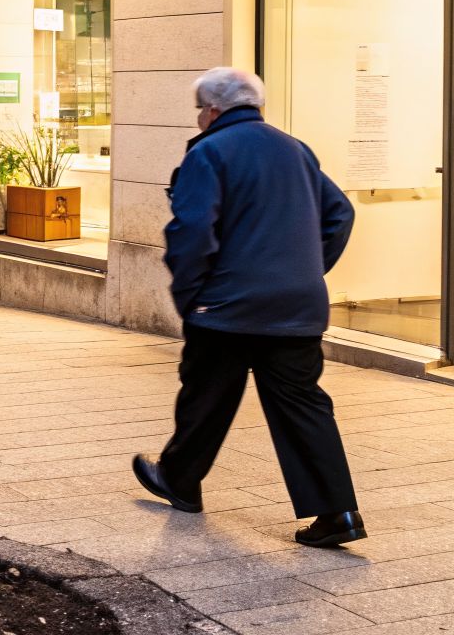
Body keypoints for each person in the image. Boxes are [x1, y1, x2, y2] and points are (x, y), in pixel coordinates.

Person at [132, 67, 364, 548]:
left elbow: (191, 232)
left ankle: (179, 480)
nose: (199, 117)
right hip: (296, 308)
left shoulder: (210, 151)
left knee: (206, 394)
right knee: (303, 405)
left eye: (200, 109)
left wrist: (191, 296)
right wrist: (304, 271)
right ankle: (337, 513)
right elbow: (340, 213)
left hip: (227, 306)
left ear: (213, 110)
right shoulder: (294, 148)